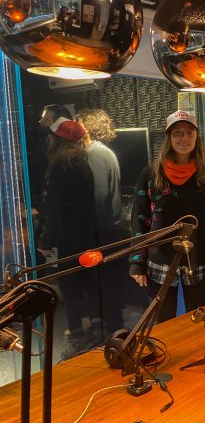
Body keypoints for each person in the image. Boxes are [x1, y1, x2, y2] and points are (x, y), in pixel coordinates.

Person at [129, 110, 205, 323]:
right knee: (163, 323)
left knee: (196, 320)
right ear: (169, 138)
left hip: (198, 260)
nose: (184, 138)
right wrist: (137, 262)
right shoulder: (150, 175)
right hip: (159, 261)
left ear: (196, 137)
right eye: (178, 133)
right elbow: (140, 220)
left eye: (189, 133)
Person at [36, 119, 97, 359]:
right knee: (87, 286)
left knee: (70, 289)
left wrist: (46, 240)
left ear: (58, 140)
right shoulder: (82, 163)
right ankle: (93, 331)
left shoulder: (61, 167)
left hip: (69, 240)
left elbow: (56, 209)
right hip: (87, 236)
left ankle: (76, 337)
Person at [76, 108, 124, 340]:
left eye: (78, 124)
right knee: (107, 282)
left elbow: (99, 196)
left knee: (103, 283)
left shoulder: (94, 154)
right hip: (108, 228)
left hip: (100, 231)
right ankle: (112, 326)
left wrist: (88, 229)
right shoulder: (104, 152)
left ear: (88, 127)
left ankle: (111, 329)